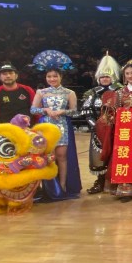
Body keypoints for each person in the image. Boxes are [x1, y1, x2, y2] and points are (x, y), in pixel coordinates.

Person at [31, 67, 81, 200]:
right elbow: (33, 109)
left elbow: (74, 111)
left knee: (62, 156)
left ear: (61, 77)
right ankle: (50, 189)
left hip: (62, 126)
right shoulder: (41, 92)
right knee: (49, 158)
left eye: (55, 76)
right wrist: (45, 110)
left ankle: (63, 186)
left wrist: (62, 111)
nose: (52, 79)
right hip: (46, 127)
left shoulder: (69, 93)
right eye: (49, 76)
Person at [100, 59, 132, 202]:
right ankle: (126, 190)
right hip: (124, 133)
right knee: (124, 158)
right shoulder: (119, 93)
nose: (130, 76)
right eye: (127, 74)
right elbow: (112, 113)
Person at [76, 53, 121, 195]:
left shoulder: (120, 91)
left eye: (107, 76)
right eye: (102, 77)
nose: (105, 79)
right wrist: (94, 126)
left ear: (112, 77)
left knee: (116, 156)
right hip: (98, 131)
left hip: (116, 130)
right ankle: (100, 182)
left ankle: (116, 182)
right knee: (98, 156)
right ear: (98, 78)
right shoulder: (92, 93)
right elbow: (86, 111)